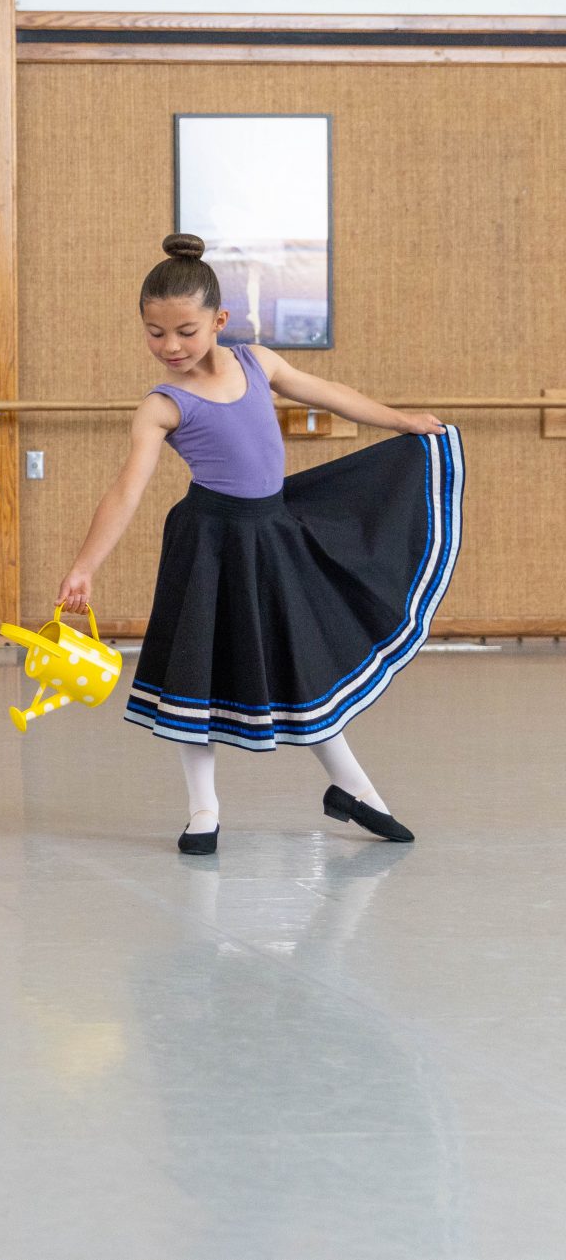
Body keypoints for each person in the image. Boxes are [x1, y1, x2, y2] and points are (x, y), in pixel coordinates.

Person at [54, 234, 460, 853]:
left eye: (185, 331)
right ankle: (203, 811)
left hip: (273, 534)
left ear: (218, 321)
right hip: (210, 545)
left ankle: (352, 789)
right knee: (200, 668)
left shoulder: (257, 363)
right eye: (155, 333)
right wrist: (85, 567)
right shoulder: (163, 406)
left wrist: (401, 421)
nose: (170, 347)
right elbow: (126, 492)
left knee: (303, 659)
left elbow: (328, 393)